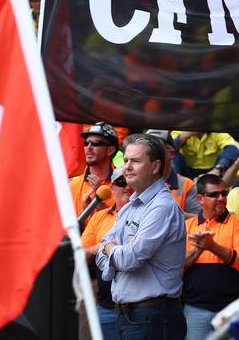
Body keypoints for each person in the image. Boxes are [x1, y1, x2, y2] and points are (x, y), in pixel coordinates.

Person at [96, 133, 187, 340]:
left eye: (135, 161)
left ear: (155, 167)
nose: (126, 166)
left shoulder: (162, 206)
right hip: (131, 316)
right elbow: (102, 257)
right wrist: (113, 250)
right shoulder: (130, 207)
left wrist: (110, 249)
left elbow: (130, 259)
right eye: (126, 160)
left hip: (153, 317)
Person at [183, 174, 239, 340]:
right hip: (195, 308)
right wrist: (199, 250)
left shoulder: (238, 224)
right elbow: (178, 267)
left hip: (231, 307)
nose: (221, 198)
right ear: (200, 198)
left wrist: (212, 247)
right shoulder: (188, 226)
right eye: (214, 195)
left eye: (223, 193)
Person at [82, 167, 133, 340]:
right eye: (121, 182)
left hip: (139, 307)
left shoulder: (149, 214)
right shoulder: (98, 217)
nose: (127, 186)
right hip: (106, 307)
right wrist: (100, 248)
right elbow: (79, 255)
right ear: (112, 188)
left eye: (130, 182)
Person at [69, 121, 119, 216]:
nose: (89, 147)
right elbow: (67, 228)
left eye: (96, 143)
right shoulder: (73, 185)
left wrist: (98, 201)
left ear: (110, 150)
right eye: (86, 143)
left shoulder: (123, 184)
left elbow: (122, 225)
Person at [172, 131, 239, 180]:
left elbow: (233, 150)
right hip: (186, 171)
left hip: (212, 171)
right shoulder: (181, 130)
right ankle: (174, 184)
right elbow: (167, 148)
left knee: (229, 156)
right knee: (172, 153)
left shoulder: (217, 131)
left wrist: (218, 168)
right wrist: (186, 135)